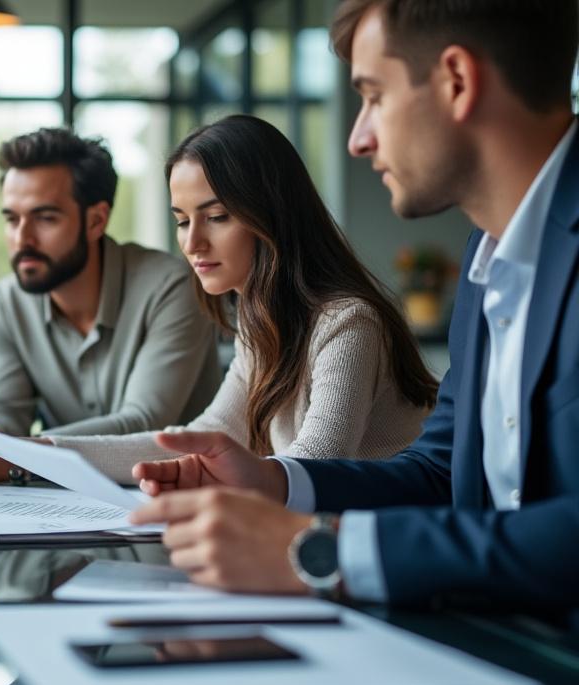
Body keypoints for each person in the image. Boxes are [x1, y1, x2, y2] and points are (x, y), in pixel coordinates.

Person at [129, 0, 579, 617]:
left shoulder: (352, 316)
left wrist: (331, 550)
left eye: (374, 95)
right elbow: (440, 470)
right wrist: (274, 481)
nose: (358, 138)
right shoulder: (487, 256)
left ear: (457, 82)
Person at [39, 115, 438, 482]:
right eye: (181, 220)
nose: (192, 242)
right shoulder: (259, 319)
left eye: (216, 217)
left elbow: (314, 465)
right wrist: (37, 453)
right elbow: (207, 435)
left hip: (381, 545)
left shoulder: (347, 322)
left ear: (271, 214)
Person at [0, 127, 221, 485]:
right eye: (12, 219)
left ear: (96, 220)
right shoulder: (6, 302)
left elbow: (144, 421)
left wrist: (9, 452)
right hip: (63, 501)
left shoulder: (172, 286)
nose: (22, 238)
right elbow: (3, 412)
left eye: (45, 218)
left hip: (175, 494)